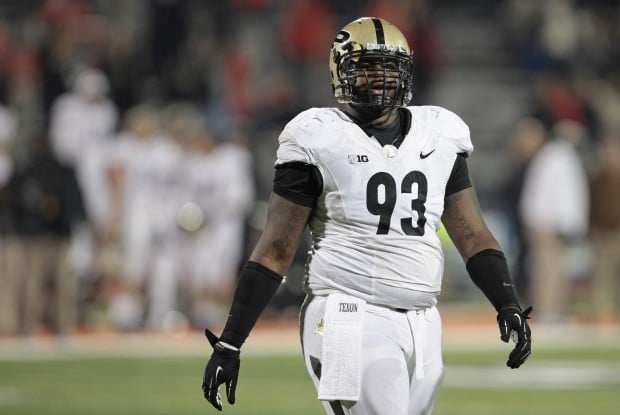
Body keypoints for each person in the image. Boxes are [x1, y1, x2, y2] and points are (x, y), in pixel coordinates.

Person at [201, 17, 532, 415]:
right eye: (366, 67)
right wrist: (231, 340)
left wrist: (507, 301)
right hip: (346, 314)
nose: (380, 78)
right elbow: (275, 248)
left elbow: (472, 234)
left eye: (389, 67)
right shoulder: (316, 135)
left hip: (424, 320)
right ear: (340, 71)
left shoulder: (440, 133)